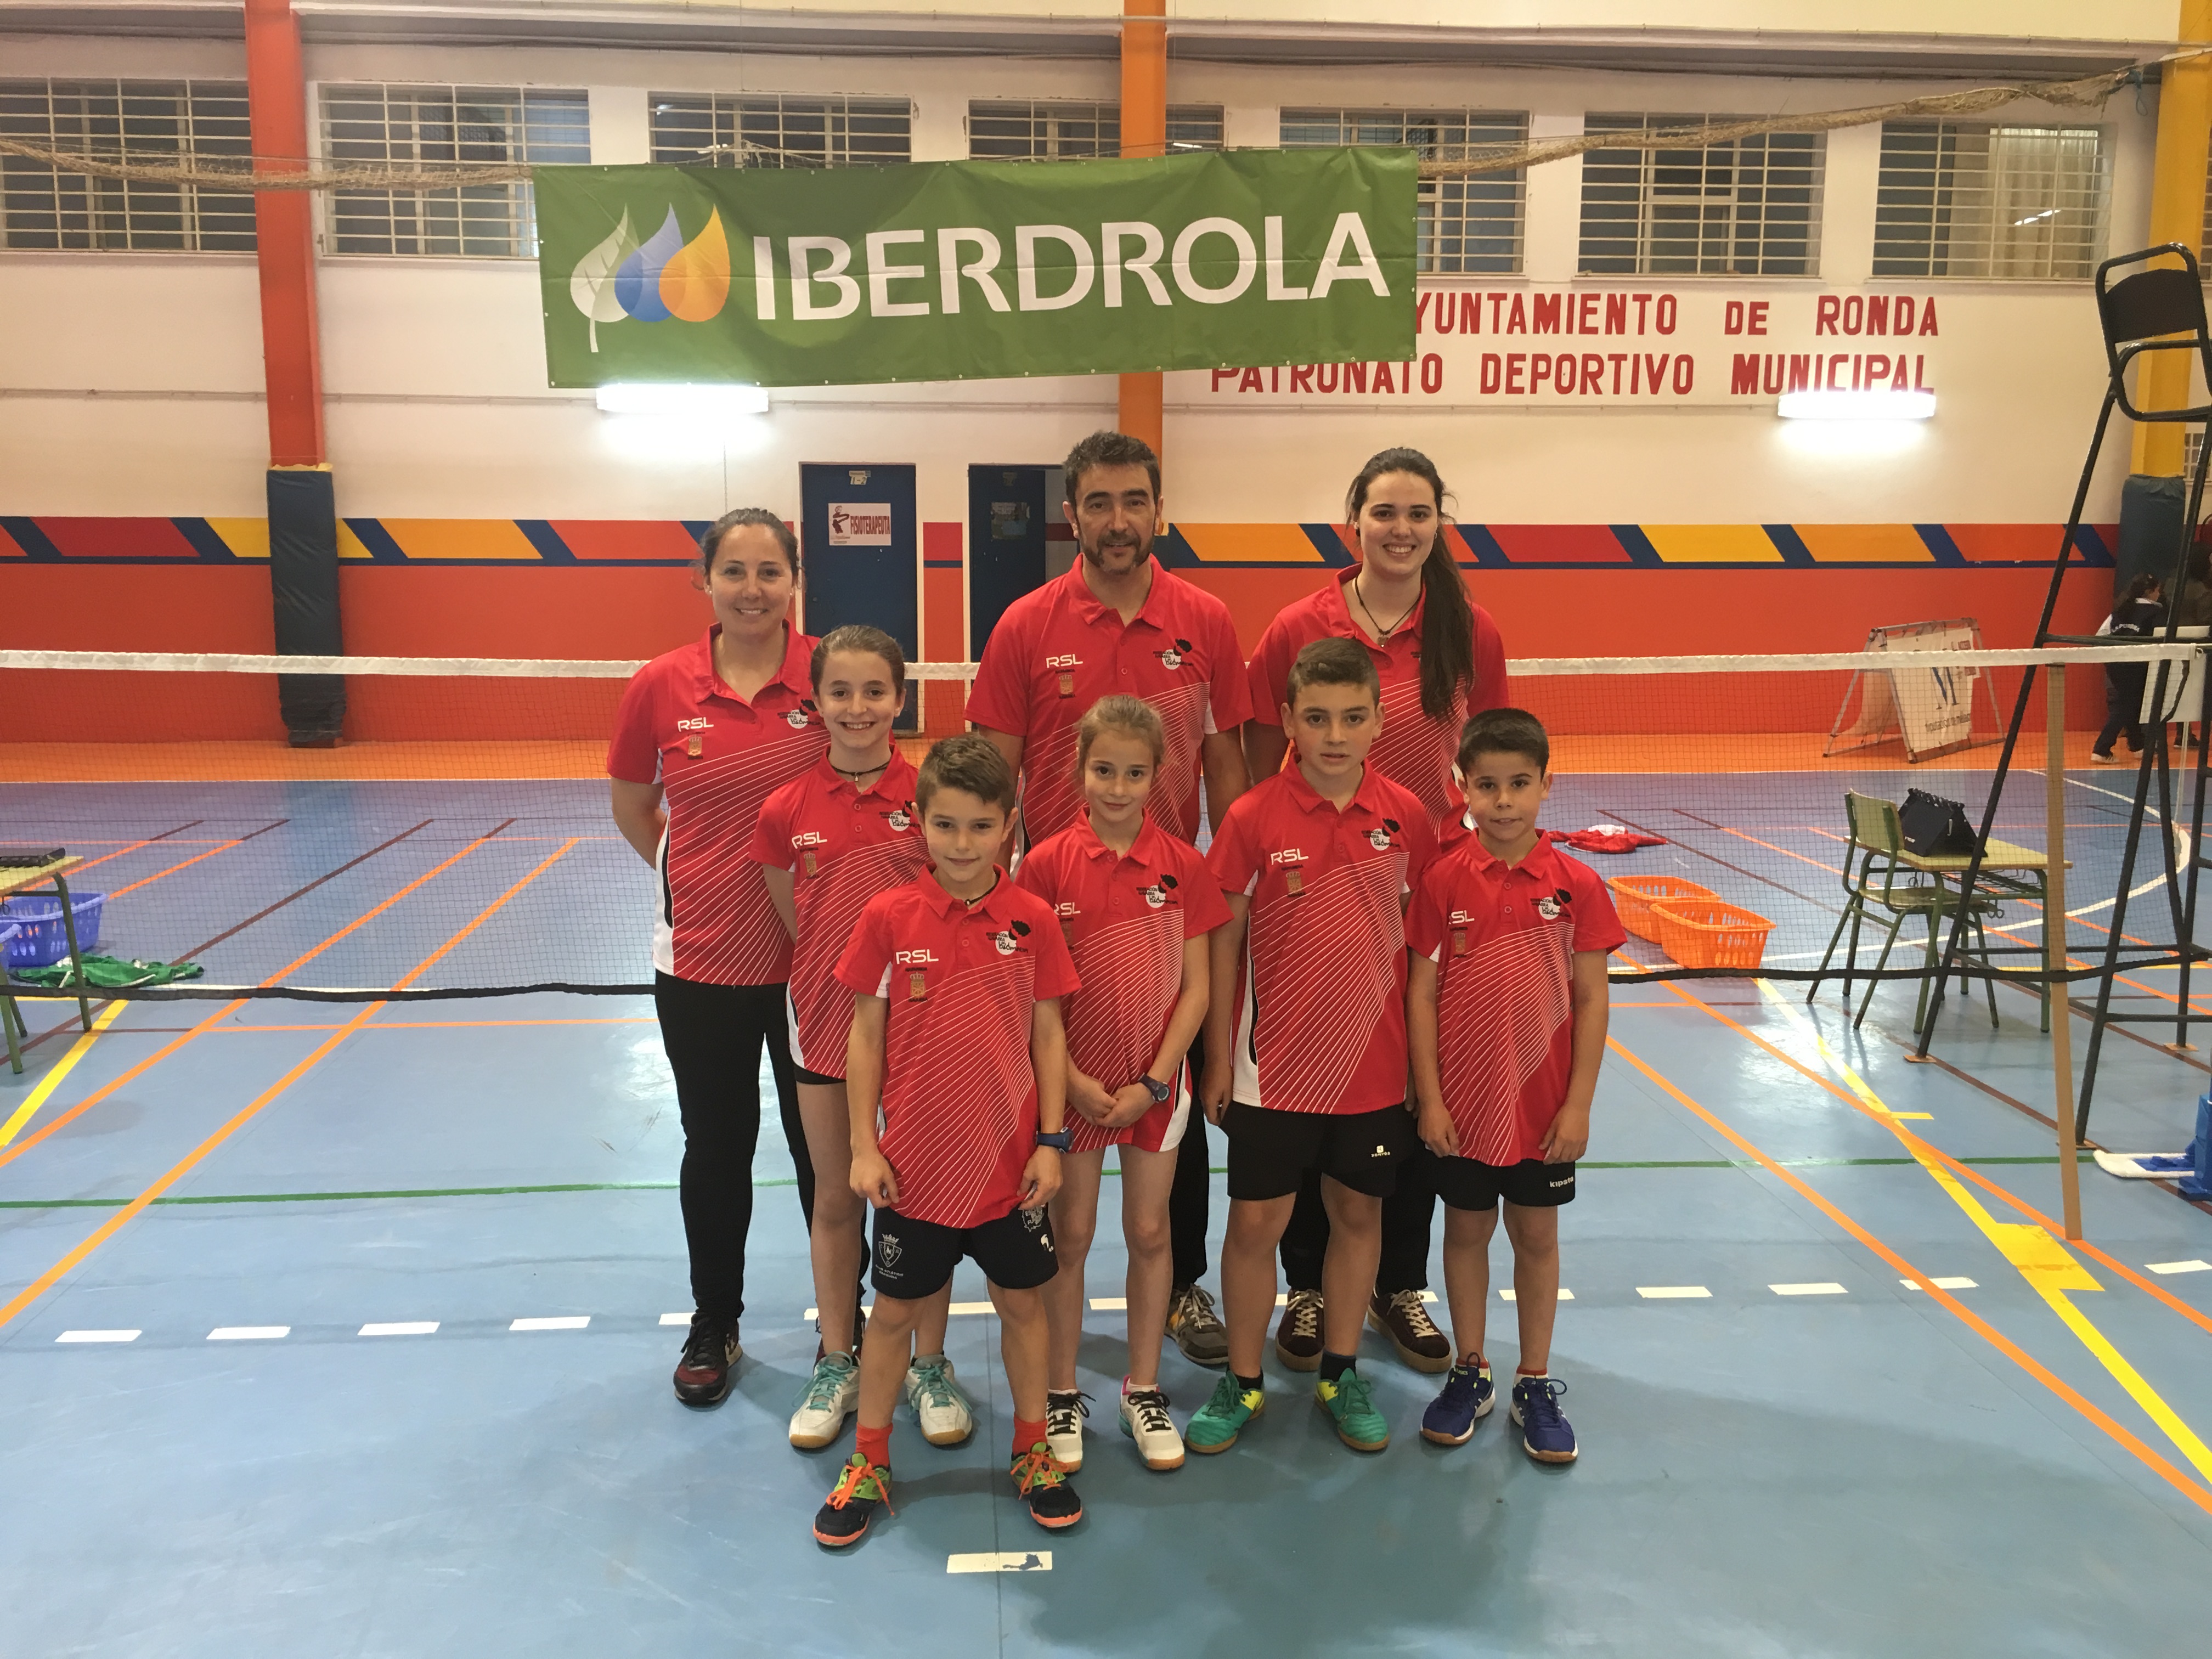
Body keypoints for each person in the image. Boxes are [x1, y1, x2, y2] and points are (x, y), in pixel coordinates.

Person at [967, 429, 1252, 1371]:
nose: (1119, 520)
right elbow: (992, 776)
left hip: (1167, 917)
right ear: (1073, 515)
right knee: (1057, 1105)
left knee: (1167, 1111)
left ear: (1159, 509)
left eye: (1135, 501)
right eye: (1099, 503)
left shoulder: (1205, 620)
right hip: (1053, 914)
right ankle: (1041, 1279)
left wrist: (1223, 894)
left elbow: (1226, 764)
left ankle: (1181, 1285)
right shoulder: (1025, 625)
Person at [1243, 448, 1508, 1380]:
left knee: (1411, 1085)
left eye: (1419, 513)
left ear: (1439, 524)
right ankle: (1308, 1285)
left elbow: (1486, 754)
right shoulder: (1297, 625)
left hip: (1425, 891)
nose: (1401, 529)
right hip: (1318, 896)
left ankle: (1400, 1282)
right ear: (1352, 519)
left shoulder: (1468, 630)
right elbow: (1257, 748)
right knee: (1315, 1083)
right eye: (1384, 511)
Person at [812, 735, 1085, 1547]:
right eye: (945, 825)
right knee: (894, 1313)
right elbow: (865, 1038)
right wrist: (864, 1145)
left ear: (1009, 825)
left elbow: (1048, 1035)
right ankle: (869, 1460)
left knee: (1022, 1306)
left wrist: (1051, 1141)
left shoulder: (1033, 920)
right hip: (915, 1171)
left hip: (1010, 1170)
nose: (962, 844)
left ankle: (1033, 1452)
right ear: (920, 823)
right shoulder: (887, 918)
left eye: (981, 826)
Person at [1186, 638, 1436, 1457]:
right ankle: (1244, 1381)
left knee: (1357, 1214)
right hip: (1270, 1072)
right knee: (1256, 1223)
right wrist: (1216, 1057)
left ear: (1379, 722)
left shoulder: (1408, 817)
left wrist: (1423, 1071)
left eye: (1353, 718)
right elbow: (1223, 943)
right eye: (1318, 718)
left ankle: (1340, 1372)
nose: (1335, 735)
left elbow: (1424, 948)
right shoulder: (1252, 818)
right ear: (1289, 720)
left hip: (1374, 1069)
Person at [608, 507, 829, 1408]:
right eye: (734, 571)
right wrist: (700, 880)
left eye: (770, 571)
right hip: (701, 963)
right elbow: (635, 806)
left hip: (817, 964)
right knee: (717, 1146)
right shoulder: (661, 685)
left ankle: (845, 1325)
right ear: (705, 580)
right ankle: (715, 1319)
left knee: (826, 1154)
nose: (752, 588)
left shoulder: (830, 672)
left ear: (794, 581)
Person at [751, 625, 969, 1451]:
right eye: (839, 692)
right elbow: (795, 916)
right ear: (815, 702)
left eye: (875, 691)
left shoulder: (932, 797)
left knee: (924, 1199)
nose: (857, 707)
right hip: (822, 1026)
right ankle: (838, 1358)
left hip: (922, 1037)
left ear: (900, 699)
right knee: (837, 1196)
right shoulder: (786, 810)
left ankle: (928, 1363)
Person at [1017, 696, 1228, 1473]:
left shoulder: (1184, 865)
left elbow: (1197, 990)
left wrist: (1154, 1081)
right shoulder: (1045, 867)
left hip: (1153, 1091)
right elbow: (1030, 992)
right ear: (1080, 769)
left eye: (1134, 774)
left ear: (1159, 776)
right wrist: (1070, 1081)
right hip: (1071, 1089)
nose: (1117, 787)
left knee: (1149, 1232)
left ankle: (1144, 1389)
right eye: (1103, 770)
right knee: (1070, 1235)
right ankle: (1062, 1393)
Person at [1408, 708, 1623, 1465]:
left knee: (1536, 1237)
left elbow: (1592, 999)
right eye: (1487, 786)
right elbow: (1421, 995)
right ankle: (1471, 1370)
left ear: (1546, 785)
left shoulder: (1578, 886)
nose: (1503, 801)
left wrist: (1578, 1104)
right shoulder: (1442, 880)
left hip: (1543, 1109)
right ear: (1462, 787)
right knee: (1465, 1232)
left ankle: (1535, 1379)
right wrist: (1431, 1098)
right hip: (1464, 1109)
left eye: (1520, 784)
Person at [2092, 574, 2164, 766]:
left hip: (2114, 663)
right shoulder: (2156, 611)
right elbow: (2162, 637)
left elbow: (2100, 635)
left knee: (2131, 701)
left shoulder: (2121, 610)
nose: (2159, 594)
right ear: (2150, 592)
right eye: (2158, 590)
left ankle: (2138, 744)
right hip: (2136, 664)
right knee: (2127, 704)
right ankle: (2101, 749)